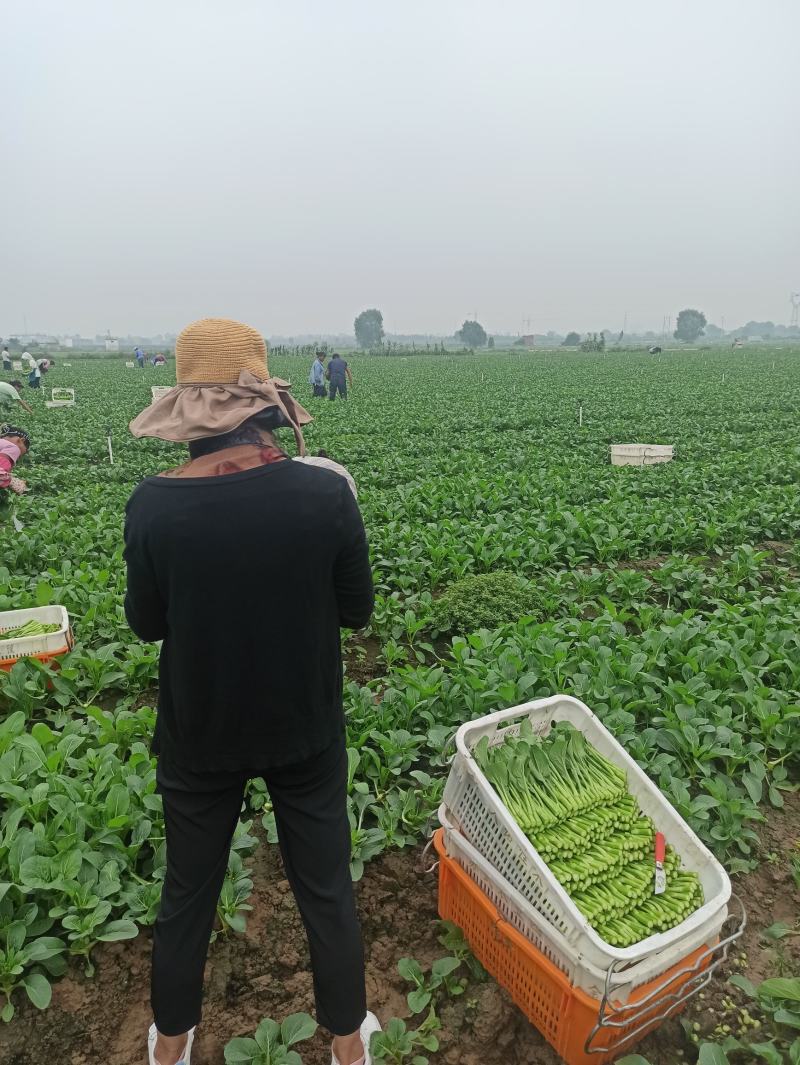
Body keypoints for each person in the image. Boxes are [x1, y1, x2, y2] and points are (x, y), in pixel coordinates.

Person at [125, 318, 380, 1065]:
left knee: (188, 896)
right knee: (326, 888)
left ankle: (170, 1047)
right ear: (266, 406)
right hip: (304, 726)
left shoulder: (153, 505)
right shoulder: (326, 493)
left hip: (200, 734)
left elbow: (147, 625)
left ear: (188, 417)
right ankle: (346, 1048)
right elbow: (356, 608)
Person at [0, 425, 31, 495]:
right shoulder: (13, 448)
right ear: (20, 440)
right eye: (24, 451)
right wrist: (12, 481)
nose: (19, 456)